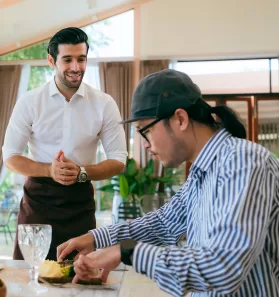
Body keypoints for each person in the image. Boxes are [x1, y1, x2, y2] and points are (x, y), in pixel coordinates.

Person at [57, 69, 279, 297]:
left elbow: (222, 267)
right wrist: (96, 238)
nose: (145, 144)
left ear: (180, 119)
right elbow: (164, 223)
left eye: (146, 131)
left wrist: (127, 252)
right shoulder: (201, 173)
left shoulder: (243, 161)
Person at [2, 27, 128, 261]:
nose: (76, 67)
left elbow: (119, 160)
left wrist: (81, 172)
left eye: (81, 59)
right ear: (51, 60)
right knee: (29, 278)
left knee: (80, 277)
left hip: (80, 204)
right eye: (67, 59)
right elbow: (10, 156)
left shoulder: (104, 103)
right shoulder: (30, 102)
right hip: (37, 204)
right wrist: (49, 170)